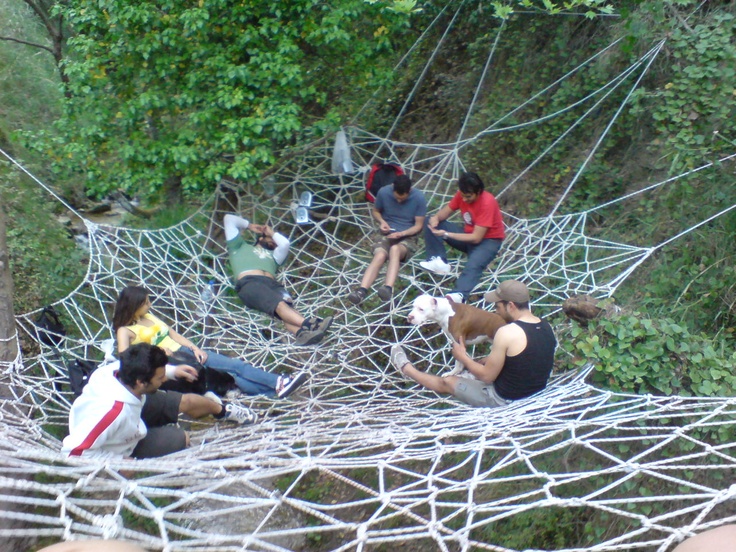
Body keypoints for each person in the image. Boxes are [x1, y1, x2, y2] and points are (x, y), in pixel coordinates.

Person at [61, 343, 256, 459]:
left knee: (188, 401)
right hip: (119, 445)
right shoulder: (110, 413)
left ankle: (224, 411)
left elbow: (151, 374)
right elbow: (72, 452)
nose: (164, 380)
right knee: (180, 438)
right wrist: (116, 463)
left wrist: (172, 371)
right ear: (141, 381)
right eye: (160, 378)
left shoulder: (117, 371)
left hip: (135, 406)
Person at [113, 286, 307, 399]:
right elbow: (126, 358)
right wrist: (155, 351)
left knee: (233, 369)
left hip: (184, 351)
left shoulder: (149, 316)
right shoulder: (125, 331)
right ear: (134, 305)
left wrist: (194, 347)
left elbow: (173, 334)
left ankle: (273, 390)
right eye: (146, 302)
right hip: (171, 362)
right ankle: (278, 383)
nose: (149, 305)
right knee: (232, 372)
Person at [389, 280, 556, 407]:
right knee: (484, 362)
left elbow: (487, 376)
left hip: (505, 399)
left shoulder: (507, 332)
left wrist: (463, 357)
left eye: (497, 306)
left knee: (447, 382)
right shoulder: (545, 325)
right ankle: (470, 374)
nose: (495, 311)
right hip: (536, 391)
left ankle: (406, 369)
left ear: (510, 306)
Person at [224, 213, 333, 346]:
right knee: (279, 304)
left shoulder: (275, 256)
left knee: (288, 310)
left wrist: (272, 232)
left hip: (272, 285)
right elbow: (228, 219)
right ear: (260, 239)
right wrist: (250, 226)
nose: (274, 242)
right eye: (271, 238)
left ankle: (302, 334)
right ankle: (312, 324)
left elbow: (285, 244)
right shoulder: (239, 247)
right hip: (250, 283)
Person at [419, 171, 505, 303]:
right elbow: (444, 213)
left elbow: (476, 238)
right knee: (429, 221)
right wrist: (435, 219)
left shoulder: (487, 202)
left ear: (479, 191)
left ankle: (457, 295)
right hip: (468, 237)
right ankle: (438, 261)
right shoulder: (461, 195)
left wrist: (446, 234)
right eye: (463, 196)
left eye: (468, 197)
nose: (464, 199)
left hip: (488, 241)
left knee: (473, 265)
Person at [347, 174, 427, 304]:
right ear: (393, 189)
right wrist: (382, 222)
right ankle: (361, 291)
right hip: (387, 233)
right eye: (397, 198)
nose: (399, 201)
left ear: (409, 191)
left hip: (408, 236)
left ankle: (387, 288)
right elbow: (376, 211)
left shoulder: (418, 197)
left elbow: (418, 226)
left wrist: (402, 234)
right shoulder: (384, 192)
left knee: (395, 250)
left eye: (403, 198)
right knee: (379, 255)